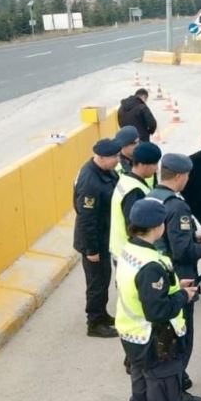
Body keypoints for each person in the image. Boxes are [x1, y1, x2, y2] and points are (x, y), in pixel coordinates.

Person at [115, 198, 198, 401]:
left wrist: (174, 286)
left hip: (134, 339)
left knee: (140, 400)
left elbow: (142, 291)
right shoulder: (151, 265)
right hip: (156, 344)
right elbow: (157, 311)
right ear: (157, 227)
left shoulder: (130, 250)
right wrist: (183, 296)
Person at [147, 153, 201, 401]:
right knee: (182, 335)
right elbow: (182, 249)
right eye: (187, 176)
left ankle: (177, 377)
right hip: (179, 277)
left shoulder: (152, 196)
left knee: (168, 333)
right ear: (180, 176)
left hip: (159, 273)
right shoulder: (178, 206)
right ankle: (176, 390)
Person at [73, 138, 121, 338]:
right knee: (97, 282)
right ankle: (94, 322)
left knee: (104, 278)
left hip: (104, 236)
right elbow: (87, 220)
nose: (118, 160)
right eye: (114, 157)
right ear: (101, 158)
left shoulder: (104, 171)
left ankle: (102, 314)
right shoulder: (90, 182)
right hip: (94, 241)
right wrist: (91, 250)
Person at [109, 142, 161, 261]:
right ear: (142, 165)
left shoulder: (126, 180)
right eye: (154, 164)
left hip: (121, 249)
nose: (157, 168)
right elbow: (135, 229)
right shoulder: (134, 192)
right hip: (130, 255)